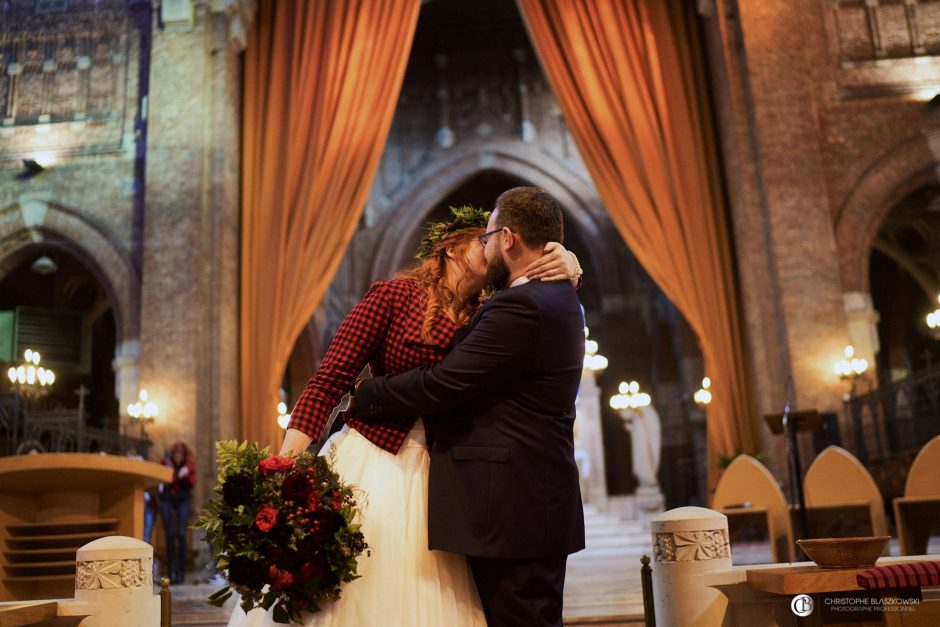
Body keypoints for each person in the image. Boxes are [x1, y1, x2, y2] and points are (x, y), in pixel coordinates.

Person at [227, 205, 578, 627]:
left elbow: (529, 311)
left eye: (492, 238)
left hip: (445, 474)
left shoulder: (490, 309)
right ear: (451, 249)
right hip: (377, 458)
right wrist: (286, 467)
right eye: (479, 240)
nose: (489, 247)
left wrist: (567, 263)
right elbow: (327, 382)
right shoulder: (393, 296)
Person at [352, 187, 586, 627]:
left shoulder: (522, 305)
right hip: (527, 506)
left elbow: (444, 383)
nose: (485, 246)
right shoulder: (558, 295)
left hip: (514, 510)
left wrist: (369, 393)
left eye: (489, 236)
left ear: (509, 239)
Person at [159, 441, 195, 585]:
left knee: (181, 534)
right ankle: (171, 570)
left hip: (183, 500)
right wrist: (177, 476)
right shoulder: (165, 462)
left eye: (181, 453)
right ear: (172, 453)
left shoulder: (189, 465)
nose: (178, 456)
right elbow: (162, 478)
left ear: (184, 454)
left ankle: (181, 571)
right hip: (168, 500)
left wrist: (183, 476)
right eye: (176, 453)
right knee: (170, 534)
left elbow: (192, 482)